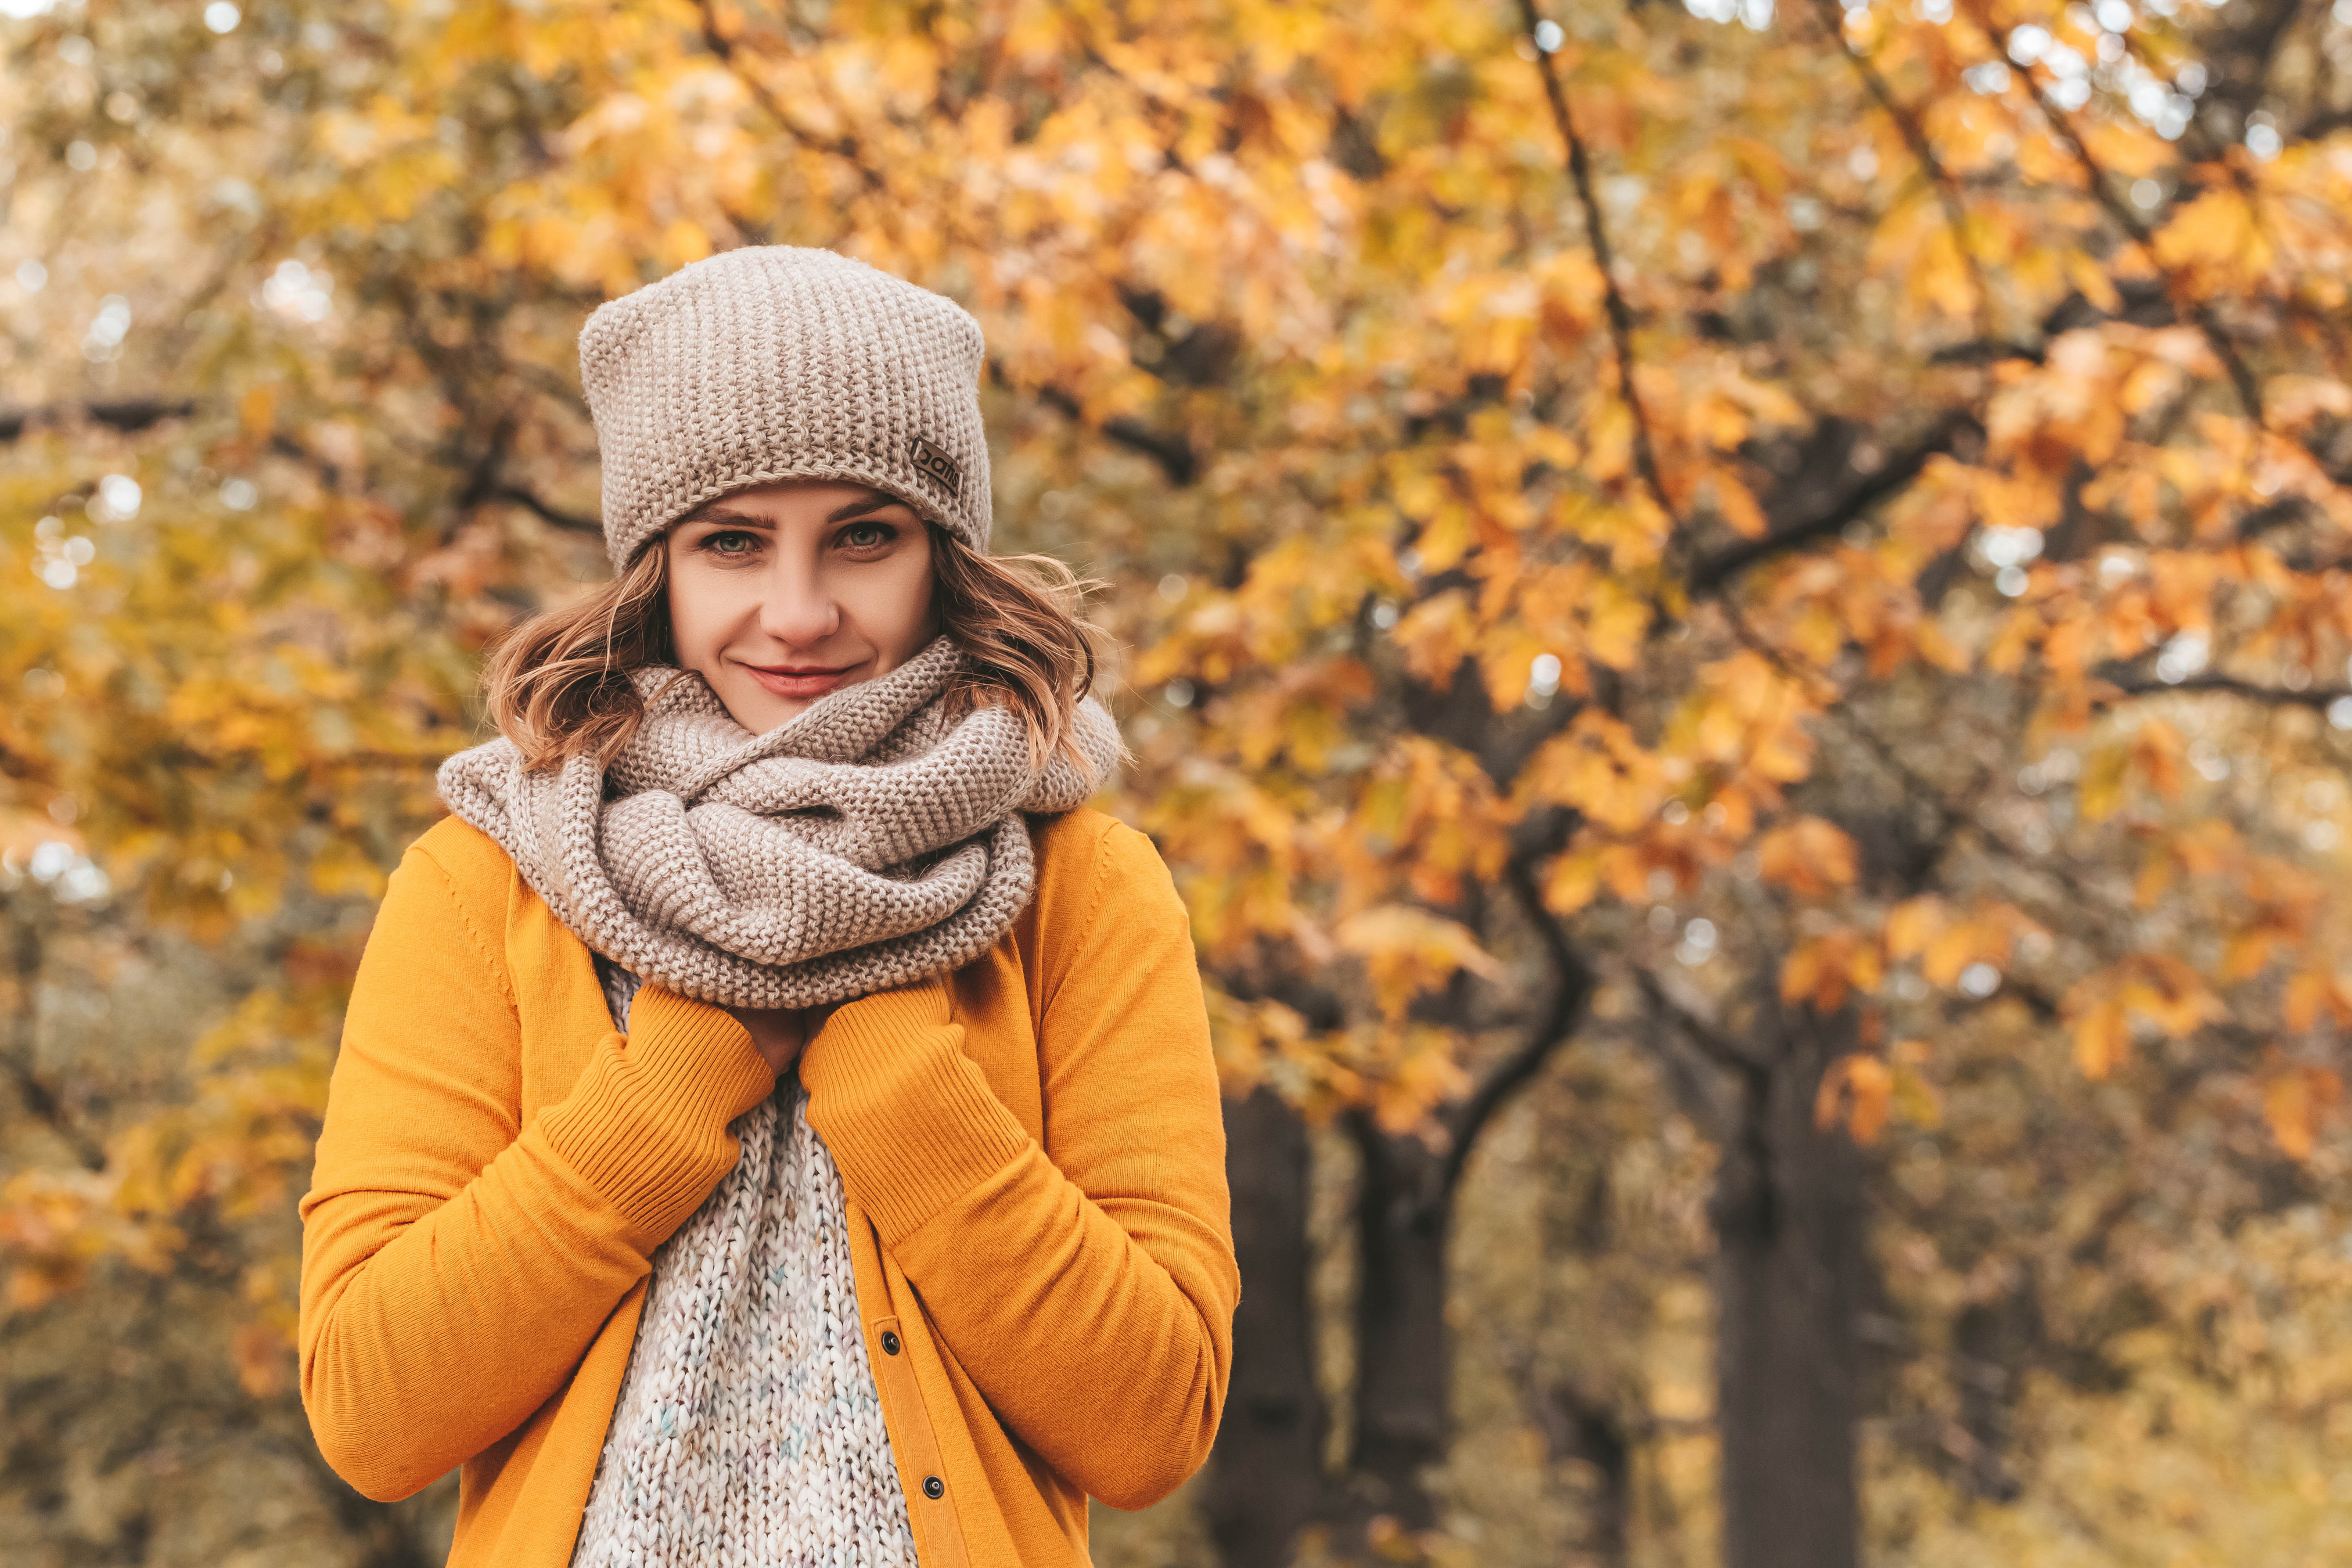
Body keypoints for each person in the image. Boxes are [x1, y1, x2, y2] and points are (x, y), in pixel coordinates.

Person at [297, 247, 1238, 1568]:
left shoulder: (1083, 888)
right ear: (658, 568)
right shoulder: (483, 883)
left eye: (864, 534)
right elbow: (371, 1410)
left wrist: (894, 1071)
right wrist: (679, 1075)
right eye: (733, 542)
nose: (798, 614)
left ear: (941, 557)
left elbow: (1152, 1424)